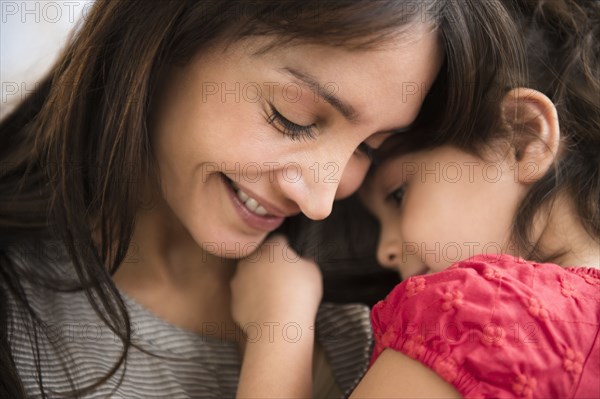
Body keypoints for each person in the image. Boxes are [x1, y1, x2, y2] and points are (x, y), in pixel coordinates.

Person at [0, 0, 526, 397]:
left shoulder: (382, 342)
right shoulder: (19, 304)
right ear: (165, 36)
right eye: (292, 117)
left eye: (370, 147)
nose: (321, 199)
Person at [352, 0, 600, 397]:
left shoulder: (473, 316)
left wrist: (276, 337)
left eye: (397, 195)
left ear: (523, 140)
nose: (385, 253)